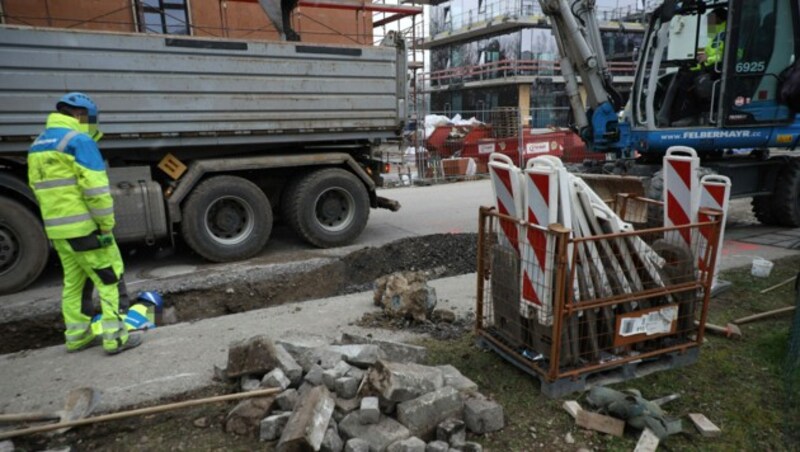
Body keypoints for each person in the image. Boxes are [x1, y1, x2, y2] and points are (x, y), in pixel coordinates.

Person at [28, 92, 142, 355]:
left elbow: (38, 188)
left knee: (74, 283)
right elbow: (96, 190)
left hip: (58, 230)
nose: (93, 125)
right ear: (80, 115)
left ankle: (77, 335)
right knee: (109, 279)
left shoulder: (38, 145)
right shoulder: (79, 141)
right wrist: (105, 224)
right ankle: (116, 338)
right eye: (92, 119)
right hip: (85, 228)